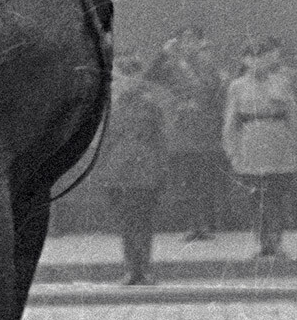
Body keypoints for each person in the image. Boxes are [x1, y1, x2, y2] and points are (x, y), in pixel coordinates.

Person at [222, 38, 297, 258]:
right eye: (253, 57)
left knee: (276, 197)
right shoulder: (237, 86)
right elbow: (231, 122)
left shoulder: (281, 82)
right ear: (245, 60)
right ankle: (262, 242)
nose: (258, 61)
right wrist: (232, 150)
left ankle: (276, 241)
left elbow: (293, 117)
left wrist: (295, 147)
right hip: (251, 144)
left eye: (263, 56)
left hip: (278, 143)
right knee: (256, 198)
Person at [94, 56, 170, 285]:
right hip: (118, 172)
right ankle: (130, 270)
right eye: (123, 76)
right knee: (125, 224)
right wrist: (104, 173)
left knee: (144, 222)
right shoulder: (108, 107)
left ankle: (144, 270)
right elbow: (102, 143)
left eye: (133, 76)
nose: (128, 81)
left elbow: (160, 141)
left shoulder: (152, 107)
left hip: (146, 171)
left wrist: (160, 170)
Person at [160, 30, 225, 242]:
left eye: (192, 40)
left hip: (204, 134)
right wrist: (164, 54)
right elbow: (149, 77)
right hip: (181, 134)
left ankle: (204, 225)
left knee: (204, 183)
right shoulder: (171, 66)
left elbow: (214, 93)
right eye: (184, 40)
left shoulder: (209, 65)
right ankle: (191, 225)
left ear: (200, 42)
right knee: (185, 184)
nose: (188, 45)